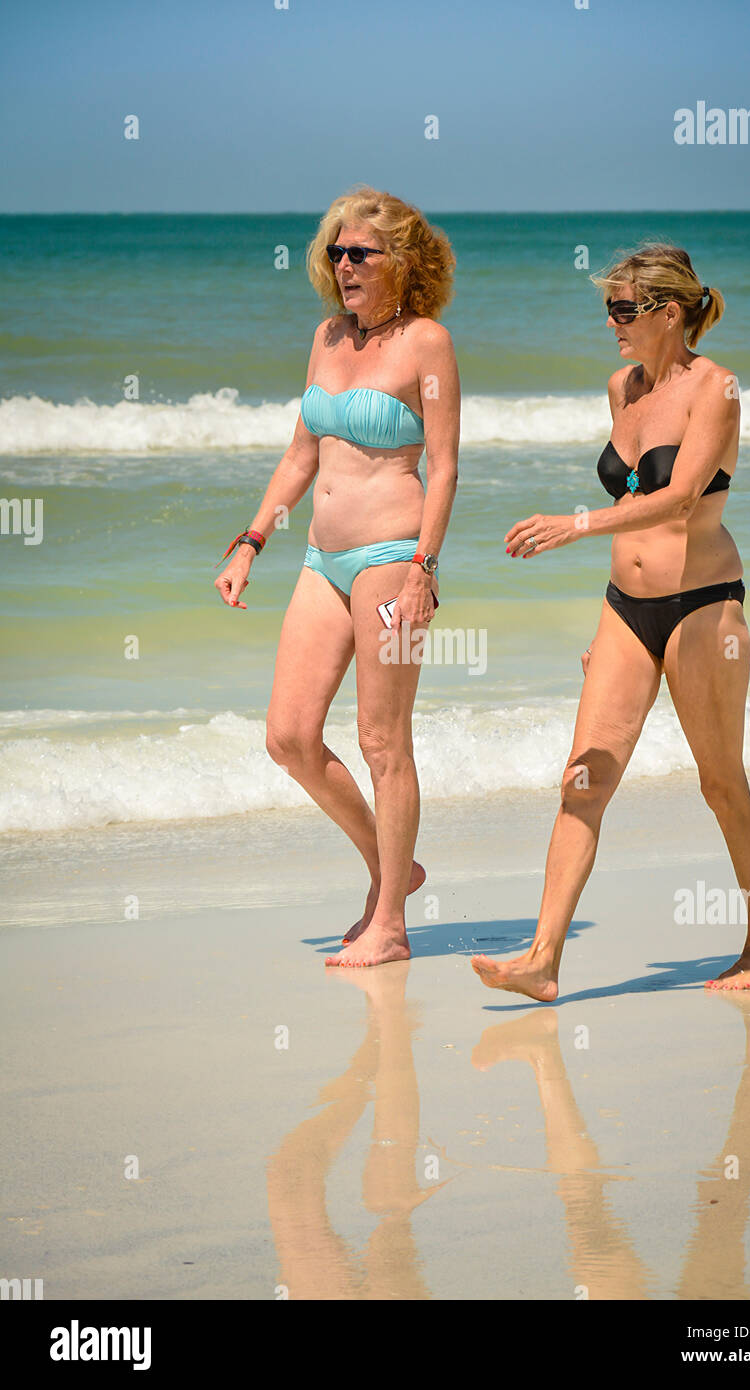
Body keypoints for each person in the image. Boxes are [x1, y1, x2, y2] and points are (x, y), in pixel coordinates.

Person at [472, 242, 750, 1001]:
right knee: (583, 782)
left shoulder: (718, 388)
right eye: (607, 308)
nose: (610, 323)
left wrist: (574, 526)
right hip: (625, 611)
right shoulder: (622, 386)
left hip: (704, 604)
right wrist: (605, 627)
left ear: (668, 312)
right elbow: (632, 495)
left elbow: (678, 499)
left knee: (721, 784)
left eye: (621, 308)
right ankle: (543, 960)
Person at [215, 186, 459, 967]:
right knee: (288, 735)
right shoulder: (326, 338)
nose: (345, 264)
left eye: (361, 253)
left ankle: (389, 922)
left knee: (384, 741)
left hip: (391, 560)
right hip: (321, 558)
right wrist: (252, 539)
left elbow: (447, 468)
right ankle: (395, 872)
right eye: (336, 252)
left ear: (403, 262)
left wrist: (424, 569)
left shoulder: (428, 343)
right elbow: (300, 453)